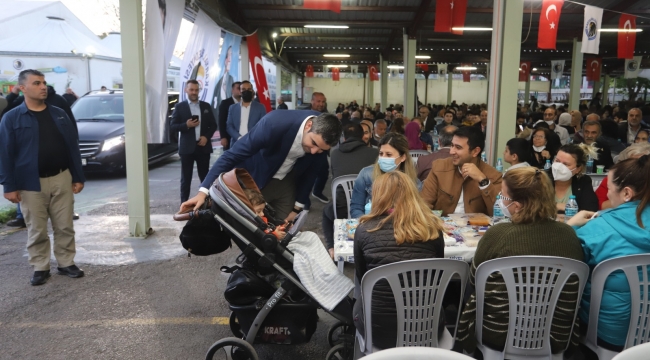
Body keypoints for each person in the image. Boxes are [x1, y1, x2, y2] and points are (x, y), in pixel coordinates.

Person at [456, 167, 584, 355]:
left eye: (503, 196)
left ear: (517, 205)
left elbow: (475, 280)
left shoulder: (497, 235)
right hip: (555, 333)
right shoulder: (569, 235)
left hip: (497, 332)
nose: (500, 199)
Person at [0, 69, 86, 285]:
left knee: (64, 225)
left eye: (44, 83)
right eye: (37, 83)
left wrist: (78, 176)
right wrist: (9, 186)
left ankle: (66, 263)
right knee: (36, 228)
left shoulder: (59, 114)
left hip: (61, 178)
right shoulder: (11, 118)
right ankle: (41, 266)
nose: (43, 87)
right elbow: (5, 153)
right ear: (22, 88)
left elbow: (72, 146)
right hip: (30, 183)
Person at [180, 111, 342, 221]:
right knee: (251, 227)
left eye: (321, 150)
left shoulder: (323, 135)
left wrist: (298, 207)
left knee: (283, 229)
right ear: (308, 126)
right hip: (257, 175)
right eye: (313, 144)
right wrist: (203, 191)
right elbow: (232, 154)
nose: (315, 151)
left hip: (287, 179)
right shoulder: (274, 124)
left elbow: (311, 174)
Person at [353, 170, 445, 350]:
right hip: (427, 329)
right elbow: (437, 272)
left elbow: (362, 276)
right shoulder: (432, 229)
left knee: (357, 296)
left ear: (377, 196)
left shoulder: (364, 231)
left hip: (379, 332)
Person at [567, 155, 650, 351]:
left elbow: (562, 260)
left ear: (627, 193)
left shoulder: (599, 227)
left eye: (610, 190)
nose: (607, 197)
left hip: (610, 332)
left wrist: (569, 226)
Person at [322, 123, 378, 258]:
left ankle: (332, 248)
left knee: (326, 212)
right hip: (369, 209)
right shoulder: (375, 153)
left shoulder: (335, 154)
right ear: (362, 136)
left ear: (344, 137)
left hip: (340, 209)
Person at [421, 126, 502, 216]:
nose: (451, 151)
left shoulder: (493, 175)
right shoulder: (439, 168)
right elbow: (424, 204)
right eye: (452, 145)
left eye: (458, 147)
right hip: (443, 227)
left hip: (478, 228)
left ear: (475, 151)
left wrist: (483, 181)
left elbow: (497, 214)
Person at [349, 133, 420, 218]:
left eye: (389, 154)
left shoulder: (413, 182)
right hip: (370, 225)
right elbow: (356, 208)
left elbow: (418, 212)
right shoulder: (366, 174)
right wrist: (365, 223)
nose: (383, 158)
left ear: (403, 157)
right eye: (381, 154)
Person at [170, 80, 218, 203]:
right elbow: (173, 126)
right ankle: (184, 204)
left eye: (196, 90)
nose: (194, 92)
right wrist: (186, 125)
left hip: (203, 147)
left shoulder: (206, 106)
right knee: (186, 179)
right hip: (187, 148)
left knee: (206, 178)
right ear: (186, 90)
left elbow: (213, 125)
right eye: (191, 90)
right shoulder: (180, 107)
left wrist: (206, 137)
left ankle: (208, 204)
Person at [595, 143, 650, 210]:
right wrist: (623, 197)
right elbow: (599, 205)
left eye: (640, 163)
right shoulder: (612, 178)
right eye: (631, 161)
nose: (635, 166)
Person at [547, 144, 599, 213]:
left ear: (578, 169)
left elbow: (590, 210)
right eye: (557, 161)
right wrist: (557, 205)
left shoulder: (583, 181)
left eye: (566, 164)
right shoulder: (541, 178)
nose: (559, 167)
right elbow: (532, 207)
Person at [226, 80, 267, 147]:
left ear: (252, 91)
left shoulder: (260, 107)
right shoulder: (232, 108)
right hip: (236, 144)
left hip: (254, 144)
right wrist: (239, 138)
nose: (246, 91)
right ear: (240, 92)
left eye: (249, 89)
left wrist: (251, 138)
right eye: (243, 89)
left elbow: (263, 126)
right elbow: (229, 126)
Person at [217, 81, 241, 151]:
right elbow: (221, 121)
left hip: (243, 136)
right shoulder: (225, 103)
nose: (241, 90)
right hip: (229, 137)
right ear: (232, 90)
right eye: (238, 88)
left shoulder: (245, 103)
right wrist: (223, 137)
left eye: (242, 88)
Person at [212, 45, 234, 117]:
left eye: (232, 56)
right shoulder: (218, 82)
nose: (230, 60)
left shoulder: (231, 80)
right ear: (225, 60)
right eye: (229, 56)